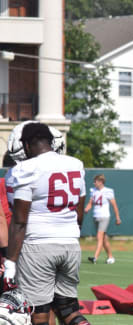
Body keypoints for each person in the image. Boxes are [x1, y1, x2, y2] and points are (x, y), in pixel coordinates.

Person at [4, 122, 91, 325]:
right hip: (70, 245)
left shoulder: (26, 169)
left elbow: (19, 221)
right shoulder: (76, 164)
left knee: (39, 314)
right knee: (68, 309)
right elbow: (79, 214)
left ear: (26, 145)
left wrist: (10, 262)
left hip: (38, 246)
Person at [84, 174, 121, 264]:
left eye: (95, 181)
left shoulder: (108, 191)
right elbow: (90, 203)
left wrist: (117, 217)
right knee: (104, 239)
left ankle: (95, 257)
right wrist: (87, 208)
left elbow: (114, 205)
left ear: (100, 182)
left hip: (104, 216)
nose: (94, 183)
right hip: (95, 216)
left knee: (99, 236)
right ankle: (110, 257)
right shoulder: (93, 191)